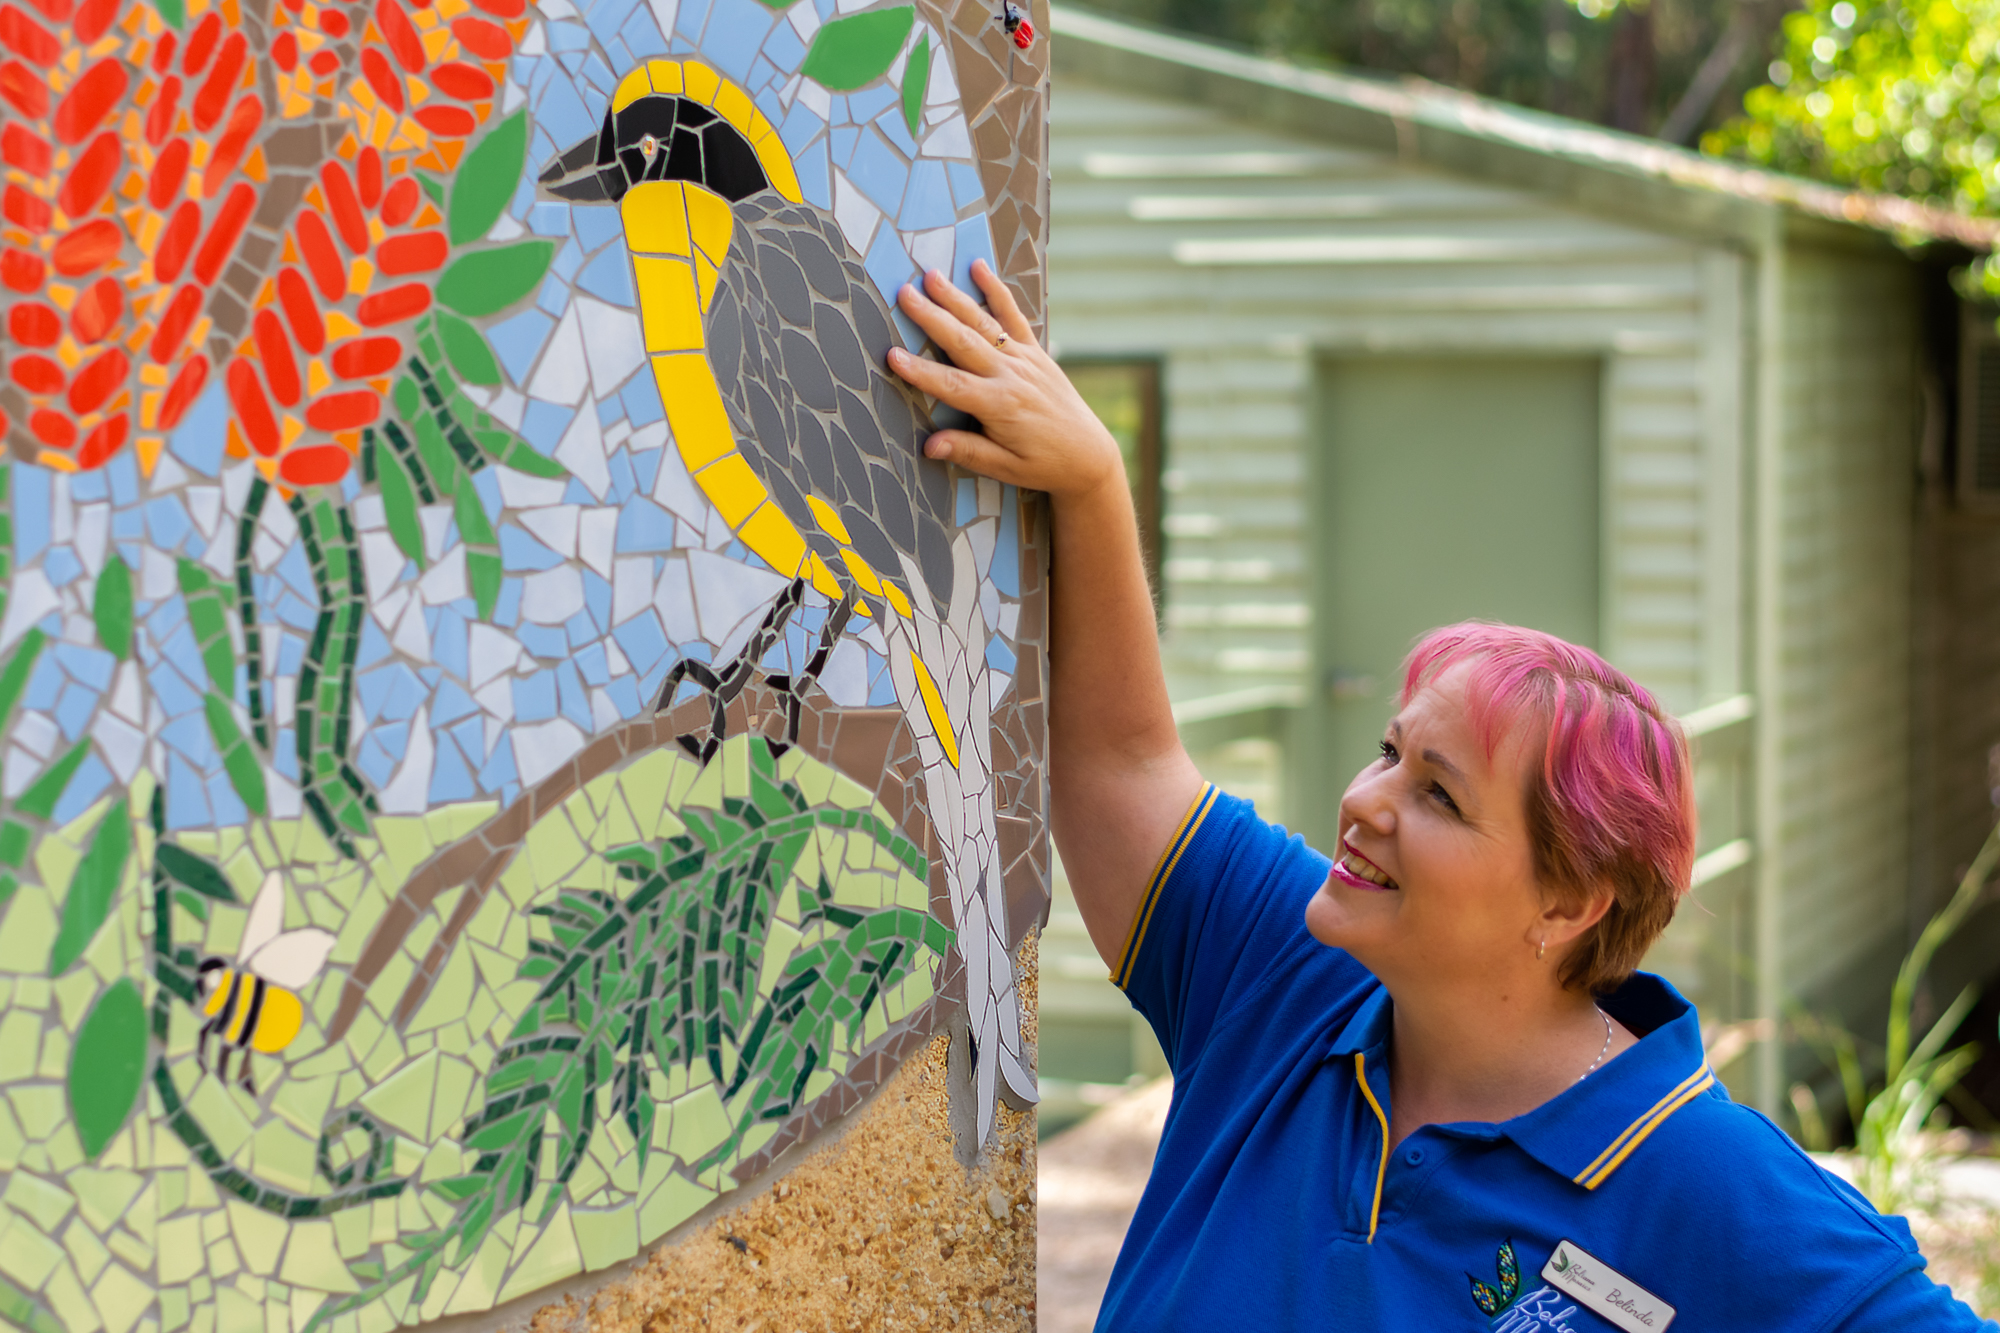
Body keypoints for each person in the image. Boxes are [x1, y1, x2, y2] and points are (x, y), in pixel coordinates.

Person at [885, 258, 2000, 1331]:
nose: (1365, 801)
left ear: (1567, 905)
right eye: (1387, 751)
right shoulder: (1286, 975)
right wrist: (1091, 484)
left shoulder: (1698, 1181)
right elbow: (1124, 762)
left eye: (1438, 795)